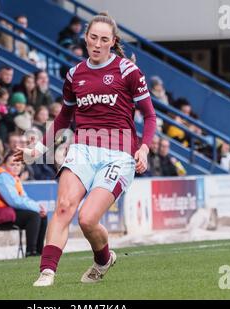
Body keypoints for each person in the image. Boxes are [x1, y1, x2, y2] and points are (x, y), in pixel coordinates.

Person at [15, 12, 156, 286]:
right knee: (64, 207)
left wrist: (145, 148)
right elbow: (63, 118)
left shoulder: (128, 72)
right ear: (86, 38)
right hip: (83, 148)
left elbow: (149, 116)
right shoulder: (74, 74)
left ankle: (103, 259)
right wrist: (38, 149)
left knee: (88, 219)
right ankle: (47, 272)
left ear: (112, 41)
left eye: (105, 39)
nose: (98, 43)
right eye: (93, 37)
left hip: (119, 153)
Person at [0, 151, 48, 257]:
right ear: (4, 164)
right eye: (12, 164)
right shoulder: (2, 177)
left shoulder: (14, 178)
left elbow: (24, 198)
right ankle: (31, 252)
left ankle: (39, 251)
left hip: (5, 212)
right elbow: (14, 201)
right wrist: (37, 208)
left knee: (41, 215)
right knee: (33, 215)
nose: (15, 167)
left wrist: (38, 207)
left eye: (18, 164)